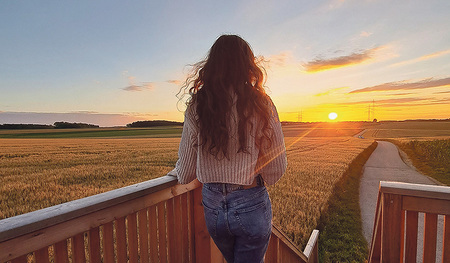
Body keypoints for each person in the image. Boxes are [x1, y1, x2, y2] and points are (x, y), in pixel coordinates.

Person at [175, 34, 287, 263]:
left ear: (212, 65)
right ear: (248, 66)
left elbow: (185, 173)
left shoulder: (197, 105)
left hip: (213, 208)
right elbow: (276, 170)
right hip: (250, 202)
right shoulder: (262, 103)